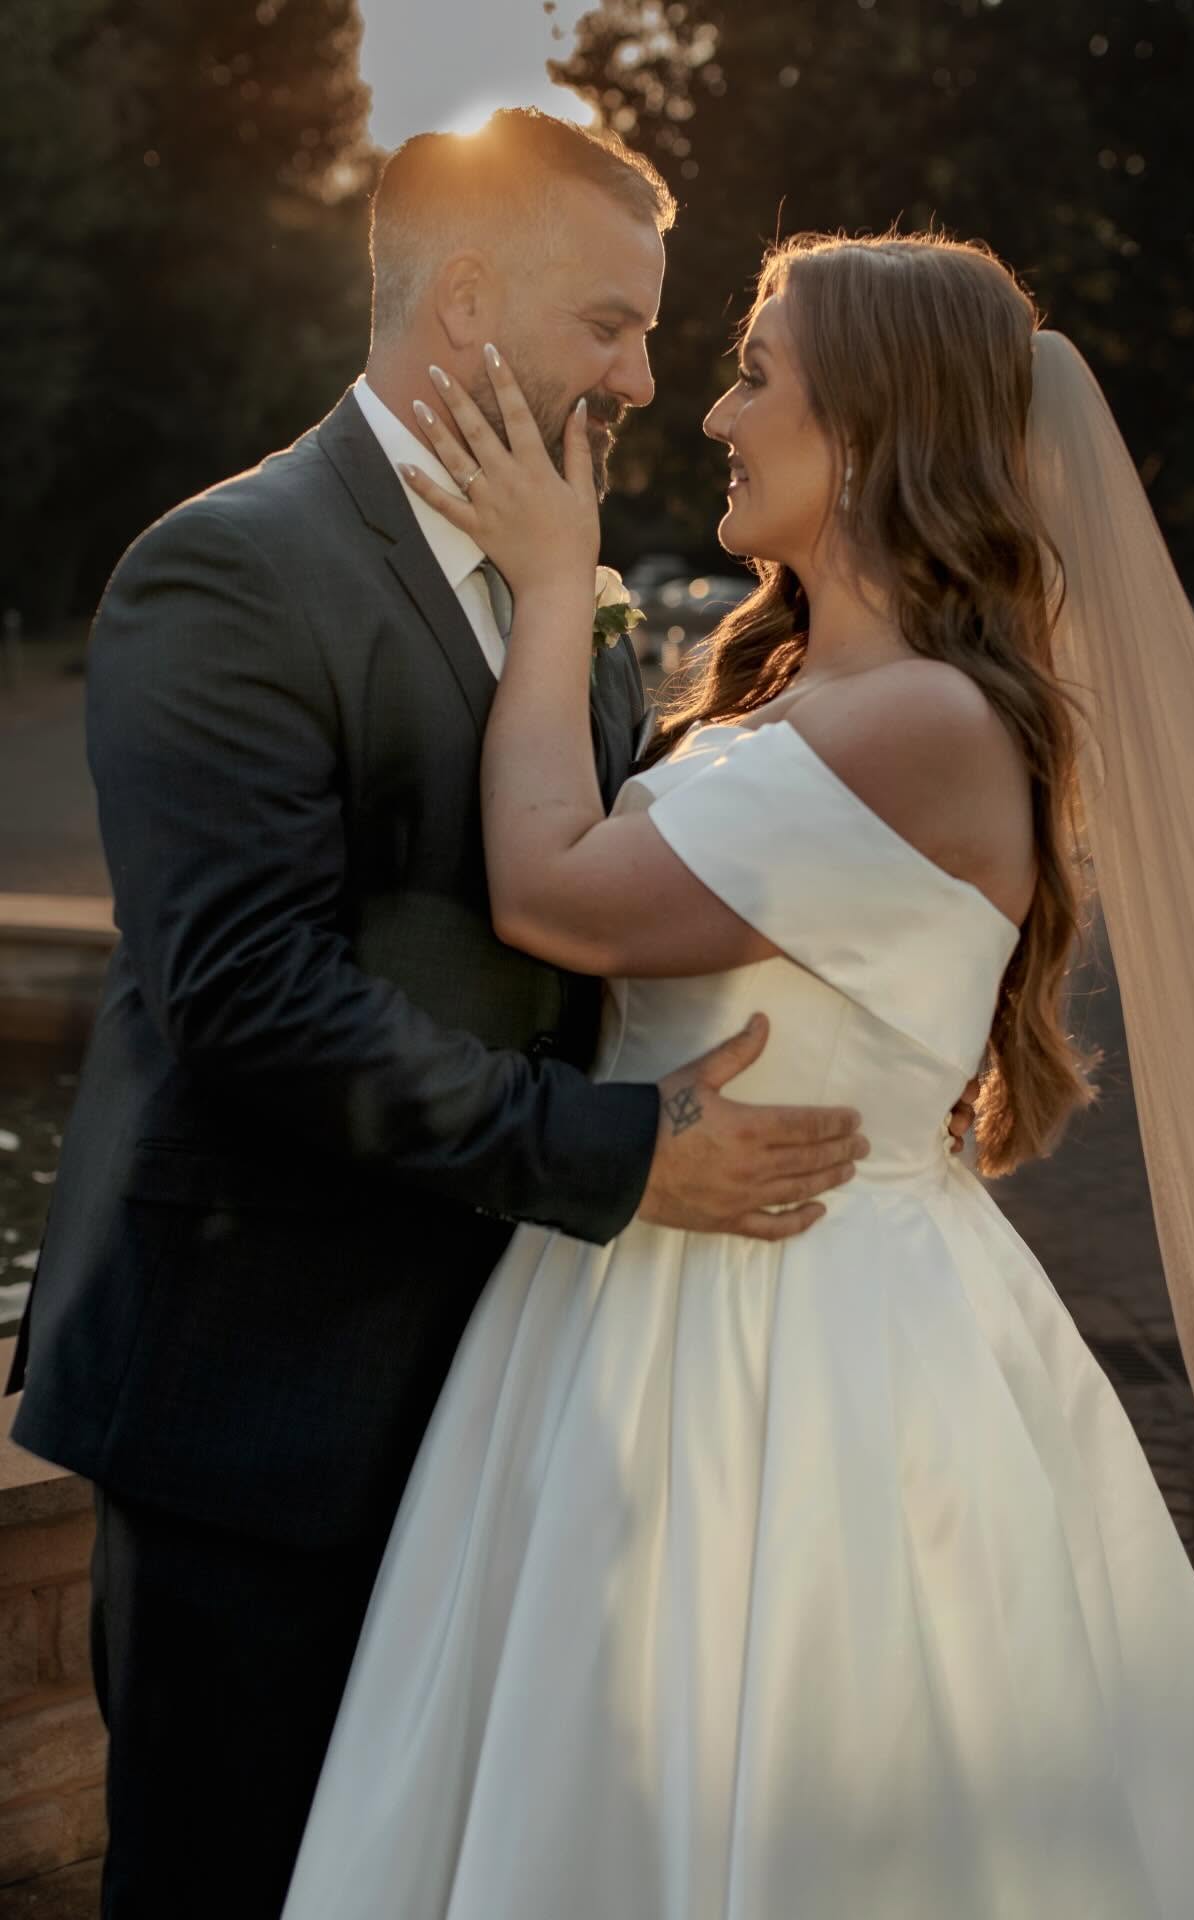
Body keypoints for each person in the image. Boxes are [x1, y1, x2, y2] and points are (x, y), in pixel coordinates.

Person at [277, 232, 1194, 1916]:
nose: (716, 413)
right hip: (643, 1289)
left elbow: (552, 893)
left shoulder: (924, 722)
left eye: (755, 371)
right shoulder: (794, 696)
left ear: (864, 428)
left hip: (794, 1334)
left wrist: (556, 584)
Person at [6, 118, 919, 1920]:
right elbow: (248, 997)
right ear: (473, 300)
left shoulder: (561, 587)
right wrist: (622, 1157)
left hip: (497, 1388)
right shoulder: (227, 571)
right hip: (256, 1392)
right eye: (611, 325)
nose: (643, 379)